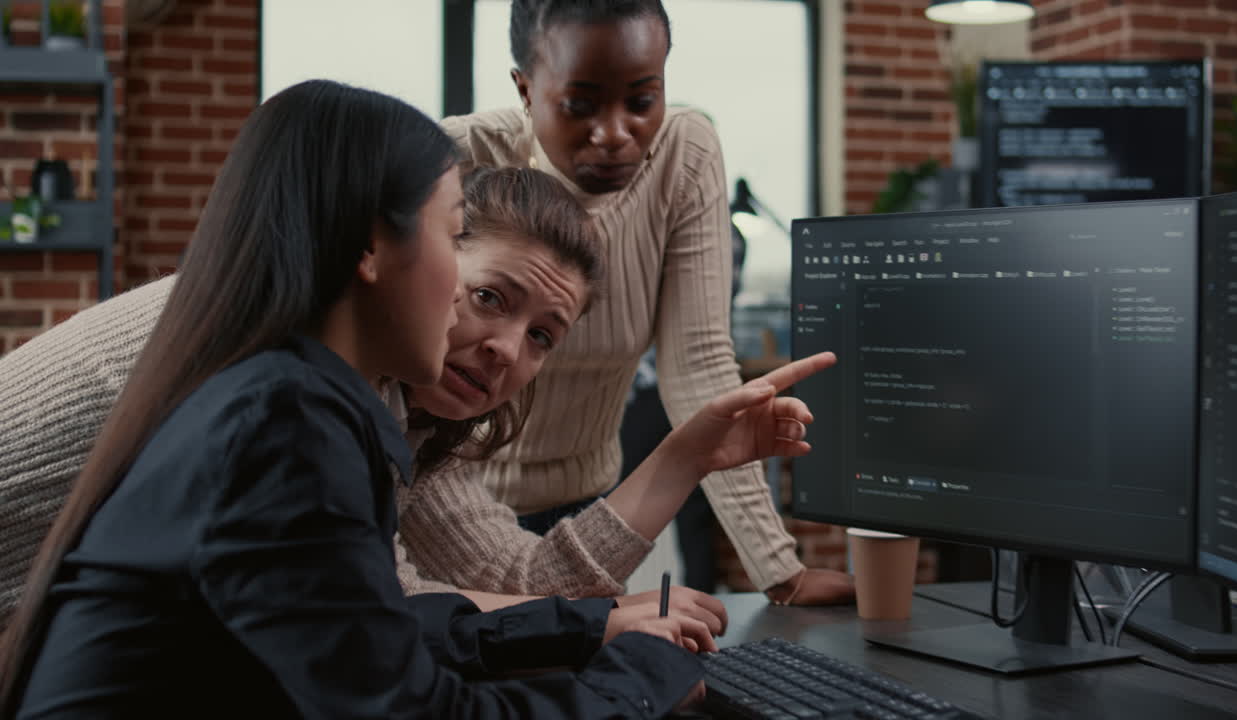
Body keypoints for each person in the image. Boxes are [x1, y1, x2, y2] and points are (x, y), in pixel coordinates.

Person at [0, 80, 749, 716]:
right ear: (367, 247)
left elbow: (375, 622)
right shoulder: (281, 420)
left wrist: (584, 630)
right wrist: (644, 680)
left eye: (543, 336)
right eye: (452, 235)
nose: (497, 340)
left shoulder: (300, 392)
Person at [398, 0, 856, 604]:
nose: (616, 135)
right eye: (580, 104)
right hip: (447, 495)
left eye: (642, 102)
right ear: (527, 90)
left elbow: (698, 362)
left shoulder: (685, 156)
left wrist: (778, 570)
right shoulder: (446, 158)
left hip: (583, 503)